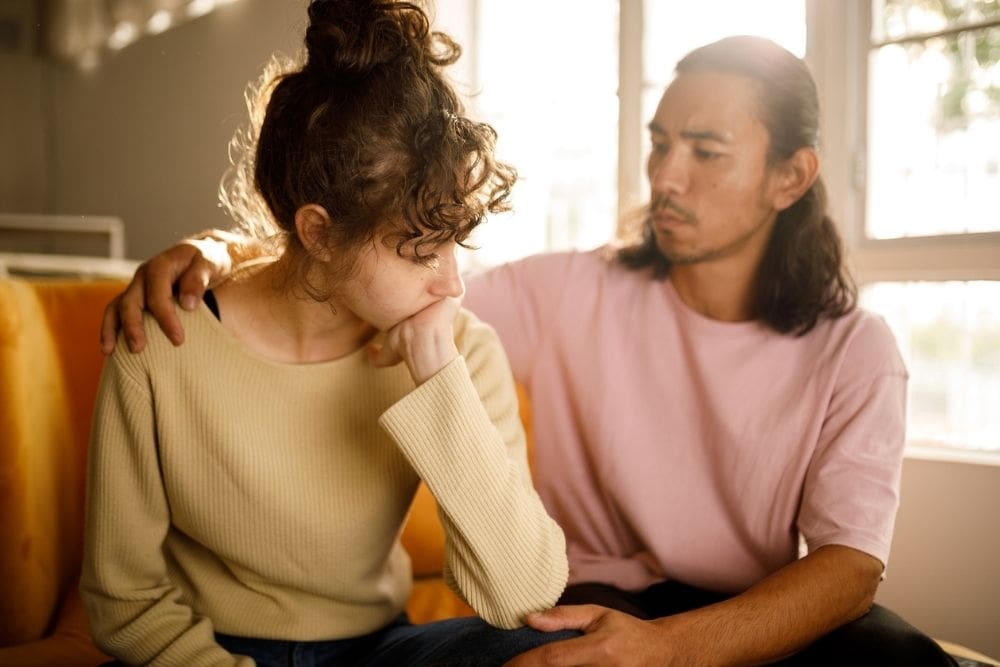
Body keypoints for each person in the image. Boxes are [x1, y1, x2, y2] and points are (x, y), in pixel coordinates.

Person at [101, 35, 958, 666]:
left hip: (743, 609)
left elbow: (849, 570)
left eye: (706, 152)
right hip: (596, 599)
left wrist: (670, 649)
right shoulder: (570, 290)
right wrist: (213, 249)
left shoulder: (858, 350)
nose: (666, 176)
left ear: (791, 177)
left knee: (909, 665)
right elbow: (345, 259)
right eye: (660, 142)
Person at [81, 2, 573, 666]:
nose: (452, 283)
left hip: (378, 649)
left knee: (561, 649)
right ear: (317, 232)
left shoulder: (458, 347)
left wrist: (435, 368)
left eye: (456, 242)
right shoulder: (163, 344)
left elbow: (524, 599)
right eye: (422, 250)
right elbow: (125, 599)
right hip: (208, 650)